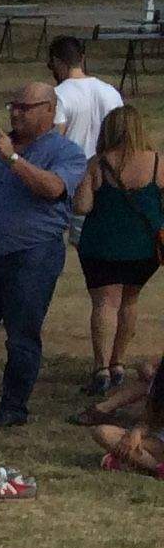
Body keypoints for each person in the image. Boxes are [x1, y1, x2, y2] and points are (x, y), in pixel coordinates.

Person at [0, 77, 87, 428]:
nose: (16, 114)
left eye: (25, 108)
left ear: (49, 110)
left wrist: (13, 159)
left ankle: (13, 407)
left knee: (21, 334)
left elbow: (54, 188)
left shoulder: (65, 151)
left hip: (31, 256)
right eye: (13, 107)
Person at [71, 102, 162, 399]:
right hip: (144, 247)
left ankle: (101, 368)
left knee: (105, 304)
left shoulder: (98, 164)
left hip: (102, 246)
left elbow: (82, 206)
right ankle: (118, 362)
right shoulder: (158, 162)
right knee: (130, 301)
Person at [49, 32, 123, 158]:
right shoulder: (111, 92)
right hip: (105, 169)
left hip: (71, 170)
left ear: (56, 62)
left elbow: (55, 141)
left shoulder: (58, 95)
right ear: (82, 59)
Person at [88, 358, 164, 477]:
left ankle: (138, 464)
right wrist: (135, 434)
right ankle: (153, 467)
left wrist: (143, 444)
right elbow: (148, 420)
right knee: (102, 432)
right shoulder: (159, 384)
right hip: (157, 443)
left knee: (143, 446)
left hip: (157, 445)